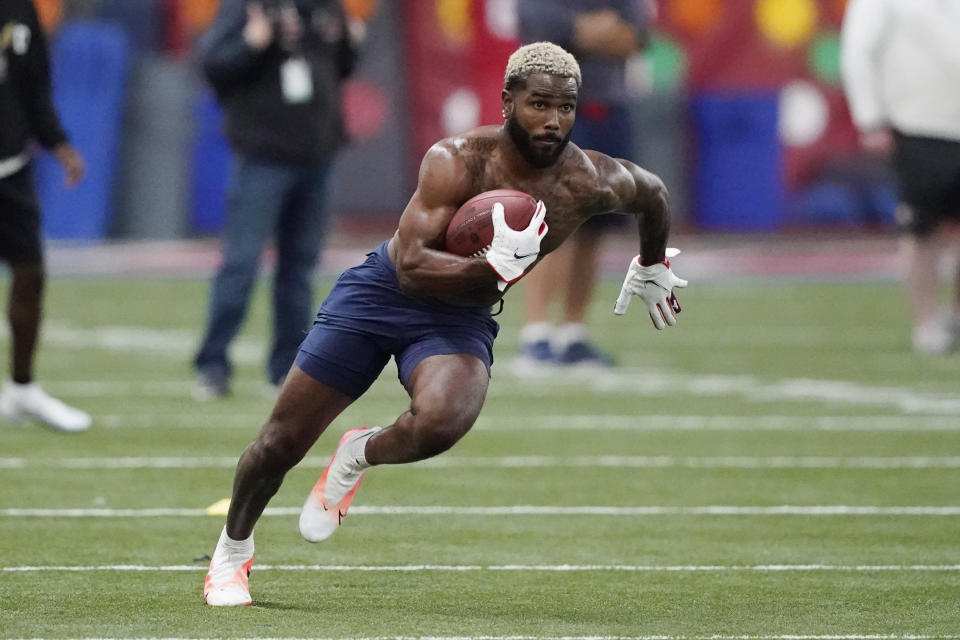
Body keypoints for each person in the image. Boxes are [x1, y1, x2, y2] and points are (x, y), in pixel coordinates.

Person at [202, 41, 687, 606]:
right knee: (281, 440)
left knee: (444, 421)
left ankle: (359, 452)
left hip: (460, 315)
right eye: (538, 105)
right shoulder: (457, 158)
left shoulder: (587, 181)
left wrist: (651, 263)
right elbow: (410, 263)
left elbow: (652, 194)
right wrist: (491, 266)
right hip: (383, 294)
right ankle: (232, 552)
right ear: (507, 102)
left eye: (566, 107)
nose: (553, 121)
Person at [192, 0, 361, 400]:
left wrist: (349, 44)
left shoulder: (325, 8)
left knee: (299, 270)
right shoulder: (246, 6)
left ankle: (286, 368)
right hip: (262, 157)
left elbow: (341, 68)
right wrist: (253, 44)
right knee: (240, 264)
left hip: (316, 154)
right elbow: (214, 66)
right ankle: (213, 364)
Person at [513, 0, 651, 370]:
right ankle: (537, 333)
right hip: (552, 109)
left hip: (610, 108)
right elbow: (547, 42)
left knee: (597, 224)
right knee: (552, 220)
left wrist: (589, 34)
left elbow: (636, 36)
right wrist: (594, 31)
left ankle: (573, 333)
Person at [841, 0, 960, 354]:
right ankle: (926, 323)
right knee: (922, 227)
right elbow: (858, 52)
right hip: (918, 123)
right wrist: (871, 117)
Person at [0, 0, 91, 432]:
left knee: (31, 272)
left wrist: (58, 142)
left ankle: (21, 388)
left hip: (10, 164)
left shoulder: (20, 7)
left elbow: (34, 82)